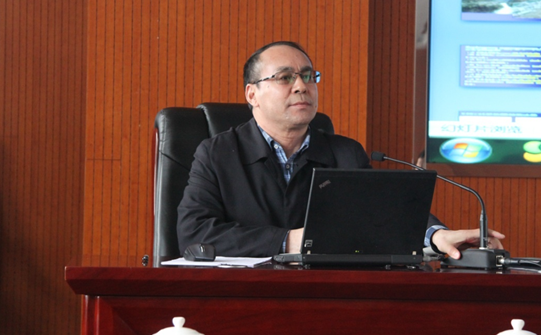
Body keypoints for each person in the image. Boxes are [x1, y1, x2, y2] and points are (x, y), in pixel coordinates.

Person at [177, 41, 504, 258]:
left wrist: (435, 236)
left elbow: (386, 216)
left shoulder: (345, 153)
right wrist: (290, 240)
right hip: (245, 296)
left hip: (327, 295)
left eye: (308, 76)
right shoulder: (217, 153)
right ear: (252, 95)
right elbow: (194, 234)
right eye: (285, 78)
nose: (302, 86)